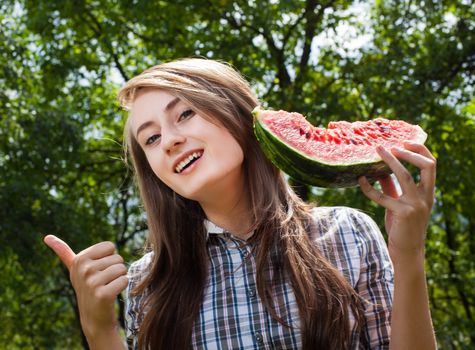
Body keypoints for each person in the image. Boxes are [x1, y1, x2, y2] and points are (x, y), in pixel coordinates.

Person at [44, 58, 437, 350]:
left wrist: (409, 254)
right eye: (150, 139)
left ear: (240, 114)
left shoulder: (349, 234)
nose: (169, 140)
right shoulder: (148, 284)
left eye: (185, 113)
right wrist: (100, 331)